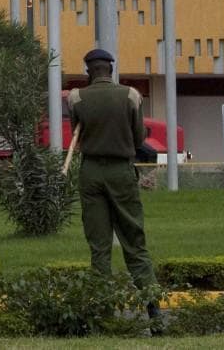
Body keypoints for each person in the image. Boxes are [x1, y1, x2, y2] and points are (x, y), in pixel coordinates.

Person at [69, 48, 161, 324]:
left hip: (91, 172)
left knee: (99, 247)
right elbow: (138, 138)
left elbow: (78, 133)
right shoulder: (131, 95)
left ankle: (104, 315)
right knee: (135, 244)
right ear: (111, 69)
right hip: (121, 171)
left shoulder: (76, 97)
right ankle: (154, 313)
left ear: (89, 71)